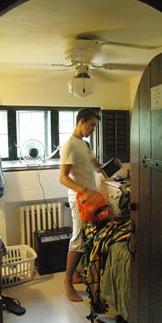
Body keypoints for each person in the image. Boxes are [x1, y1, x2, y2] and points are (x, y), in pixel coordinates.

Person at [60, 108, 121, 302]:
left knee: (88, 237)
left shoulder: (84, 145)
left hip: (92, 197)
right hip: (79, 198)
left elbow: (97, 168)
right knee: (78, 238)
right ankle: (68, 283)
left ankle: (77, 274)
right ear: (82, 121)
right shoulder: (69, 145)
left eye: (96, 125)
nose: (94, 129)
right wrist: (83, 190)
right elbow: (63, 178)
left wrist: (113, 166)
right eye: (92, 124)